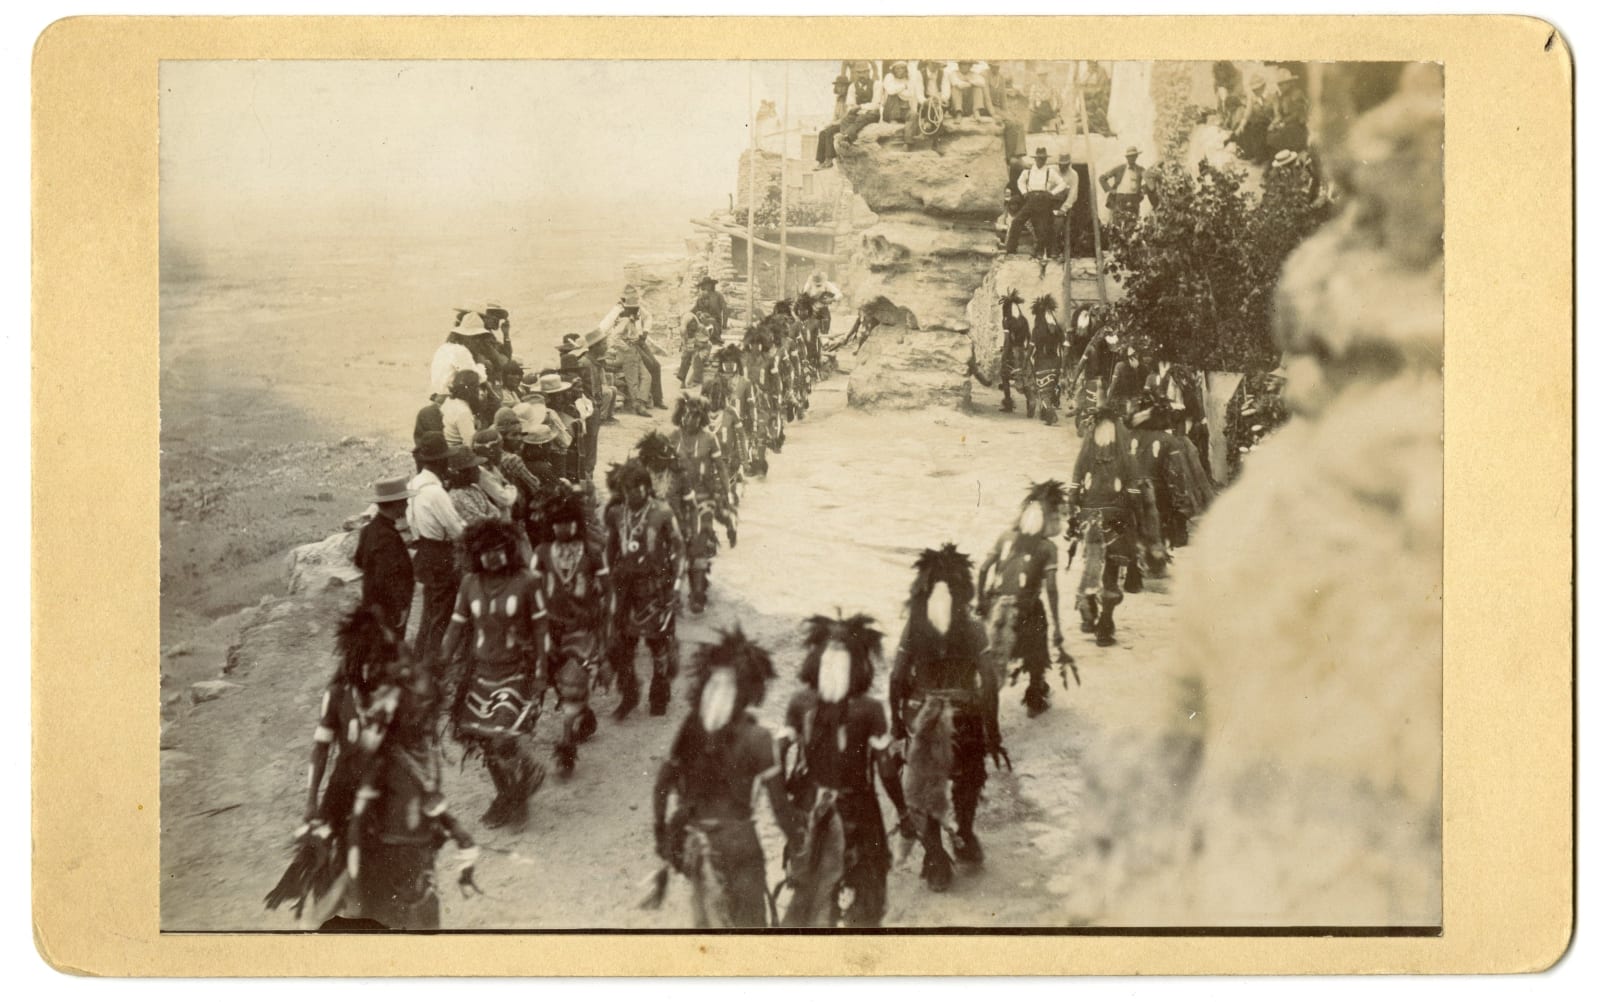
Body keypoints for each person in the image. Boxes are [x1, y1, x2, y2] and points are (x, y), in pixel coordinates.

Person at [266, 606, 478, 930]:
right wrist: (312, 802)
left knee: (411, 854)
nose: (370, 670)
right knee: (329, 859)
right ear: (352, 661)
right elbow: (321, 749)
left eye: (377, 662)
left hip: (387, 782)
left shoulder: (395, 697)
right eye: (364, 662)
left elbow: (417, 748)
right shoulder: (337, 695)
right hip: (345, 786)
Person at [651, 628, 804, 928]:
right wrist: (799, 845)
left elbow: (661, 785)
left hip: (698, 845)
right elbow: (780, 809)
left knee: (708, 925)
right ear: (750, 689)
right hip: (740, 845)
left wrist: (662, 834)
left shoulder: (690, 728)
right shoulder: (758, 738)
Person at [777, 614, 908, 928]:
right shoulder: (870, 709)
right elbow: (886, 770)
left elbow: (778, 750)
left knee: (808, 889)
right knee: (868, 893)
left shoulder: (800, 703)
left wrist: (784, 797)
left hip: (810, 808)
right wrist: (902, 810)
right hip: (859, 813)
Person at [888, 544, 1003, 893]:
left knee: (923, 786)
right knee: (969, 778)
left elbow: (896, 677)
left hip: (920, 718)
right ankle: (964, 834)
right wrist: (991, 730)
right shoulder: (972, 624)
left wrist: (896, 724)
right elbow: (990, 681)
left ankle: (935, 855)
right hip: (964, 717)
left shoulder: (914, 626)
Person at [440, 518, 548, 829]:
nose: (491, 557)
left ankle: (522, 783)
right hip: (480, 676)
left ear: (509, 549)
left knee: (502, 739)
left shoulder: (529, 581)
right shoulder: (469, 584)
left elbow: (541, 629)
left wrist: (541, 670)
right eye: (484, 552)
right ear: (475, 554)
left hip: (516, 673)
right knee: (486, 743)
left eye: (497, 550)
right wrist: (439, 665)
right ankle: (508, 795)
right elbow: (455, 628)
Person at [533, 485, 610, 777]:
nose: (561, 527)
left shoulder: (592, 552)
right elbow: (531, 588)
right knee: (557, 681)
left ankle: (566, 744)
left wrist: (604, 622)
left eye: (567, 522)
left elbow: (607, 591)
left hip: (582, 630)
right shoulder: (541, 553)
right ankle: (584, 715)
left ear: (576, 522)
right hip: (550, 630)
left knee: (573, 680)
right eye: (556, 523)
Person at [976, 481, 1068, 717]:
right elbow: (1052, 590)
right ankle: (1036, 692)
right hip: (1026, 608)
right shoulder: (1048, 548)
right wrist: (1057, 626)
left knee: (989, 655)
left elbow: (984, 569)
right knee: (1038, 646)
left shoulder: (1005, 536)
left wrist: (981, 601)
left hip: (996, 604)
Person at [604, 458, 684, 718]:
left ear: (648, 487)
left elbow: (679, 548)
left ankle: (659, 694)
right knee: (623, 644)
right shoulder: (616, 514)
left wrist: (676, 585)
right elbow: (611, 549)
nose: (636, 492)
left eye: (641, 487)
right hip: (625, 588)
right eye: (630, 488)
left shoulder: (662, 511)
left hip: (655, 587)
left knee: (657, 641)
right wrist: (607, 583)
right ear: (623, 490)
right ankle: (629, 693)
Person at [1067, 405, 1143, 646]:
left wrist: (1074, 502)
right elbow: (1132, 480)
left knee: (1091, 560)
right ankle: (1105, 625)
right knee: (1111, 565)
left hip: (1090, 513)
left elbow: (1077, 475)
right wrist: (1134, 503)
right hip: (1116, 514)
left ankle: (1089, 612)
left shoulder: (1089, 447)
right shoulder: (1123, 446)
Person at [666, 397, 731, 614]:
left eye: (693, 415)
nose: (688, 419)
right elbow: (659, 468)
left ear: (700, 417)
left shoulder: (709, 439)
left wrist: (725, 491)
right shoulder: (672, 437)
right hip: (676, 498)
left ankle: (697, 592)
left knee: (698, 542)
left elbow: (720, 467)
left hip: (703, 497)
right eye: (685, 414)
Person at [406, 432, 466, 665]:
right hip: (441, 553)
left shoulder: (414, 484)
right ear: (440, 461)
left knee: (429, 612)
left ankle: (419, 658)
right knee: (442, 614)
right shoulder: (435, 492)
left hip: (424, 550)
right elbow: (456, 529)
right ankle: (431, 666)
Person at [354, 477, 416, 633]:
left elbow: (359, 561)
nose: (407, 504)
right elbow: (387, 577)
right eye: (405, 501)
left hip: (372, 601)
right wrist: (401, 605)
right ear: (396, 504)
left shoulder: (368, 530)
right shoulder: (387, 536)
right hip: (387, 607)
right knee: (390, 646)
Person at [599, 286, 665, 411]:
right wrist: (615, 347)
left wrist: (645, 333)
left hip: (639, 341)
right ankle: (642, 400)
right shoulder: (616, 311)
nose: (634, 309)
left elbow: (648, 317)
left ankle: (658, 399)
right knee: (649, 365)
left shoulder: (637, 307)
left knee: (656, 366)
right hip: (627, 346)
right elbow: (603, 329)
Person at [1005, 147, 1068, 258]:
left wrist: (1052, 193)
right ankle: (1011, 249)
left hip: (1044, 199)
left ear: (1045, 159)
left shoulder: (1050, 171)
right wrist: (1024, 192)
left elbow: (1062, 184)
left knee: (1042, 227)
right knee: (1017, 221)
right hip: (1031, 199)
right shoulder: (1028, 171)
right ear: (1035, 159)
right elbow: (1020, 182)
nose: (1041, 160)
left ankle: (1040, 252)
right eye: (1039, 158)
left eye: (1043, 158)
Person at [816, 62, 880, 165]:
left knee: (832, 130)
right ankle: (821, 160)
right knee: (827, 131)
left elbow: (875, 104)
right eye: (859, 73)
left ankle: (844, 141)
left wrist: (860, 108)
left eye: (864, 72)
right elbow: (850, 107)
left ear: (868, 72)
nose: (862, 75)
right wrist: (833, 122)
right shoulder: (844, 96)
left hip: (866, 114)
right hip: (854, 114)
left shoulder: (875, 85)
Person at [1030, 294, 1066, 425]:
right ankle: (1045, 414)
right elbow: (1064, 346)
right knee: (1050, 389)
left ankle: (1050, 413)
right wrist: (1062, 364)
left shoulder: (1037, 330)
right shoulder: (1057, 330)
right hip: (1055, 362)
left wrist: (1025, 362)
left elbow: (1031, 349)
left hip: (1042, 362)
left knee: (1043, 391)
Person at [995, 289, 1033, 416]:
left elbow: (1007, 341)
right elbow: (1029, 338)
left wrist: (1004, 356)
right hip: (1022, 352)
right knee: (1024, 377)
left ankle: (1008, 403)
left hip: (1011, 353)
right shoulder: (1024, 320)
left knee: (1005, 376)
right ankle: (1030, 401)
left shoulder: (1007, 321)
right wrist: (1026, 351)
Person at [1099, 146, 1152, 234]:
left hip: (1134, 200)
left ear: (1137, 157)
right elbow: (1102, 178)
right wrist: (1110, 190)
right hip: (1120, 199)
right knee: (1118, 224)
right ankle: (1117, 246)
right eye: (1130, 156)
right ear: (1127, 157)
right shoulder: (1119, 169)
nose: (1132, 158)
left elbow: (1149, 181)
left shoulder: (1140, 170)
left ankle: (1132, 245)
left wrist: (1142, 190)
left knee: (1134, 224)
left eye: (1134, 156)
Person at [444, 445, 499, 526]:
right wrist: (491, 517)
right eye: (475, 468)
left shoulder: (474, 488)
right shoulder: (457, 496)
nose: (479, 471)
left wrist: (492, 516)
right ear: (464, 472)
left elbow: (496, 512)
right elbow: (480, 522)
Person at [471, 428, 519, 519]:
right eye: (500, 448)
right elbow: (506, 499)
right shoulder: (482, 474)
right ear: (491, 452)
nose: (502, 452)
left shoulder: (491, 467)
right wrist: (511, 487)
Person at [441, 369, 482, 449]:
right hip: (456, 452)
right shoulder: (463, 412)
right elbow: (471, 445)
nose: (479, 391)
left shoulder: (449, 401)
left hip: (447, 446)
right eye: (477, 387)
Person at [1051, 152, 1081, 258]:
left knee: (1060, 223)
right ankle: (1045, 249)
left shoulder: (1073, 174)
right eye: (1060, 164)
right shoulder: (1052, 170)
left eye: (1064, 164)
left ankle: (1063, 249)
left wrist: (1064, 208)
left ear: (1069, 164)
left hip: (1065, 203)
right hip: (1051, 202)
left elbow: (1073, 194)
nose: (1061, 166)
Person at [677, 311, 715, 390]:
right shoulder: (686, 330)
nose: (691, 329)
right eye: (689, 328)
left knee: (697, 357)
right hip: (693, 347)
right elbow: (685, 343)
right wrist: (687, 347)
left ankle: (696, 381)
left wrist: (693, 346)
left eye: (692, 326)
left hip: (704, 347)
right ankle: (682, 380)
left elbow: (703, 343)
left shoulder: (701, 329)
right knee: (685, 357)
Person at [690, 276, 729, 340]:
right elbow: (694, 309)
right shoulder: (700, 297)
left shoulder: (718, 295)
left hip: (716, 323)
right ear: (703, 286)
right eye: (705, 284)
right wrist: (686, 315)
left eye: (709, 284)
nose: (707, 286)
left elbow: (725, 309)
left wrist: (724, 324)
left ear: (712, 285)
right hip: (702, 323)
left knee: (711, 323)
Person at [880, 61, 915, 125]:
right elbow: (890, 91)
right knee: (893, 96)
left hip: (905, 109)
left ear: (905, 69)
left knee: (914, 115)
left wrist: (897, 90)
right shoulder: (889, 76)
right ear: (893, 70)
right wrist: (904, 86)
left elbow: (910, 94)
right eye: (897, 68)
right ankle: (893, 120)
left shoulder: (908, 79)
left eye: (902, 68)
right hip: (890, 111)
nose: (900, 70)